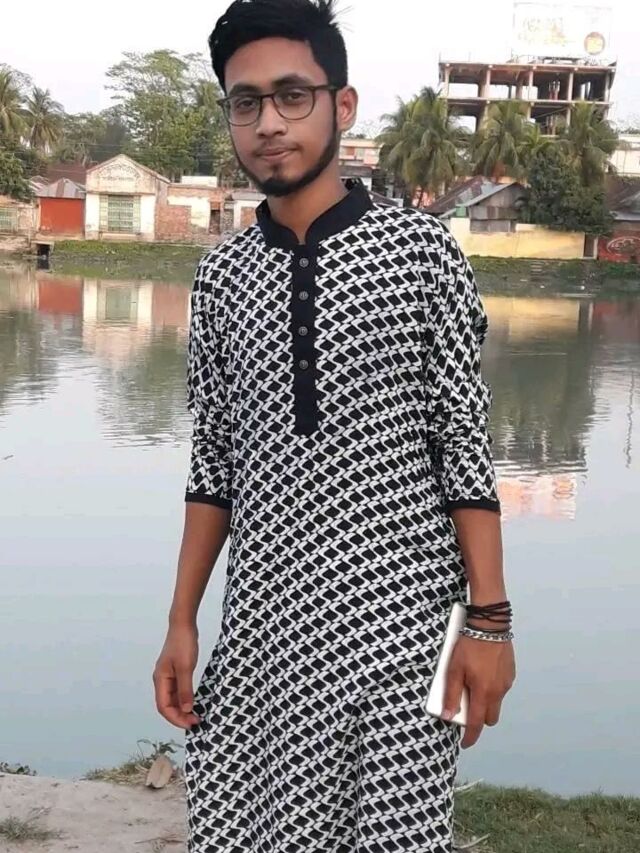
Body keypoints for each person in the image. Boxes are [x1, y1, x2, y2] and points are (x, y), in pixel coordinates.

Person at [153, 1, 516, 851]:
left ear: (341, 106)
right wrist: (181, 620)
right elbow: (214, 462)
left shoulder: (421, 252)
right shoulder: (222, 277)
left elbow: (462, 443)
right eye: (246, 103)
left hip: (402, 631)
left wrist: (490, 622)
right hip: (263, 633)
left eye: (292, 95)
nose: (268, 124)